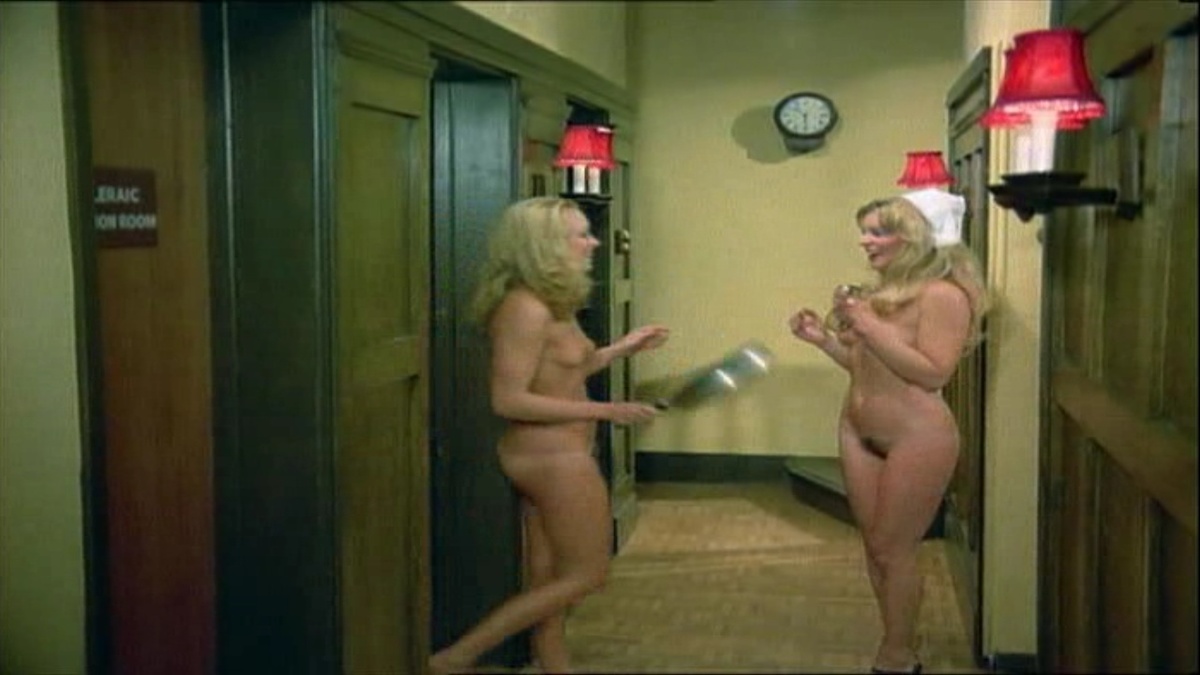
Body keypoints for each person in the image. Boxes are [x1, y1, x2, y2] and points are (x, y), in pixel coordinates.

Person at [430, 196, 669, 675]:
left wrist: (623, 348)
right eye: (581, 235)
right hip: (550, 460)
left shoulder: (552, 302)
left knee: (547, 581)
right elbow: (508, 400)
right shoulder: (525, 308)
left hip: (557, 454)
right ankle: (456, 658)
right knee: (588, 574)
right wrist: (607, 410)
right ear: (545, 246)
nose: (594, 242)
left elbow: (566, 370)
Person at [787, 189, 989, 675]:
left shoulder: (944, 296)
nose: (865, 241)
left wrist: (867, 325)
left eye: (878, 232)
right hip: (857, 432)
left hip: (916, 438)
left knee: (893, 550)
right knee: (876, 547)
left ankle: (897, 657)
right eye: (865, 231)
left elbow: (933, 373)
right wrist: (824, 341)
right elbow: (864, 366)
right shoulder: (880, 294)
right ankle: (900, 639)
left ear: (914, 237)